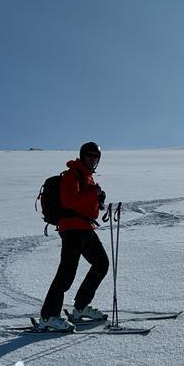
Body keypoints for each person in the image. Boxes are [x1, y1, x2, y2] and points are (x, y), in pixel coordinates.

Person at [37, 141, 110, 331]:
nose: (93, 159)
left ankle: (80, 307)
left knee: (101, 264)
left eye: (96, 156)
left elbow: (86, 204)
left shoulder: (87, 178)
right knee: (67, 272)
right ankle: (48, 316)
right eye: (90, 155)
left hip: (85, 228)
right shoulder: (72, 175)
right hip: (71, 228)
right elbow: (69, 201)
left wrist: (98, 199)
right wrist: (92, 193)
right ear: (83, 155)